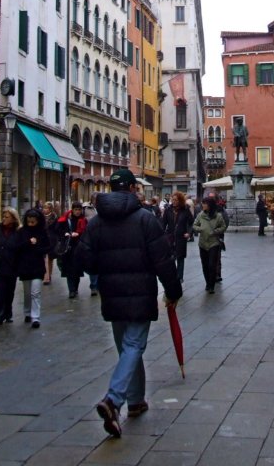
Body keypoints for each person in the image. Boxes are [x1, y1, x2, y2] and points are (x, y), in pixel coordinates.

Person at [78, 168, 182, 438]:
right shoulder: (145, 219)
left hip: (111, 293)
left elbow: (86, 259)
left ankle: (135, 401)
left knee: (127, 348)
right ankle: (114, 400)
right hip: (140, 292)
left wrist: (103, 271)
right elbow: (163, 259)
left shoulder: (96, 222)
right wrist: (173, 291)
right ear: (133, 189)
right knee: (134, 346)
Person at [16, 207, 50, 328]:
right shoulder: (21, 232)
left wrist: (37, 246)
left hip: (37, 266)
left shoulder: (42, 232)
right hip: (25, 266)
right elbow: (17, 247)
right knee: (27, 293)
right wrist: (28, 243)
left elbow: (48, 247)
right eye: (29, 221)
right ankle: (27, 312)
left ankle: (35, 317)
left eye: (33, 222)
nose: (30, 224)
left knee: (35, 292)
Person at [192, 195, 227, 293]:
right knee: (205, 265)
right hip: (202, 243)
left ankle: (211, 285)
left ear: (210, 205)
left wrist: (216, 231)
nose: (203, 205)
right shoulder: (200, 215)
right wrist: (200, 229)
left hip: (213, 243)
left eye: (205, 203)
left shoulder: (218, 216)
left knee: (212, 265)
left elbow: (223, 226)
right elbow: (194, 225)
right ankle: (207, 282)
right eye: (203, 203)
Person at [54, 201, 88, 298]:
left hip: (78, 247)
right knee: (69, 270)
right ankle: (71, 290)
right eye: (76, 209)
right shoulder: (65, 219)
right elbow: (57, 229)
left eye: (79, 210)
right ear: (72, 210)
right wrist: (65, 233)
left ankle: (75, 288)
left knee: (77, 271)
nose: (77, 212)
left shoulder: (83, 220)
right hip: (68, 248)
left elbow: (86, 232)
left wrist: (79, 234)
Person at [169, 192, 194, 284]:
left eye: (176, 200)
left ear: (180, 200)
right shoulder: (168, 209)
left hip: (181, 237)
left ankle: (179, 277)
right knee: (171, 258)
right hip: (170, 237)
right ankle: (172, 276)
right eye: (173, 200)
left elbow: (191, 222)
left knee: (180, 257)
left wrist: (189, 233)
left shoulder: (185, 209)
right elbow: (163, 223)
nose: (174, 202)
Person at [41, 201, 57, 285]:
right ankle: (44, 275)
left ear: (50, 209)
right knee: (43, 259)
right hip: (43, 240)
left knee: (50, 259)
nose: (45, 209)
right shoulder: (40, 217)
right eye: (44, 208)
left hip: (51, 240)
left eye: (46, 208)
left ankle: (49, 276)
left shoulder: (54, 217)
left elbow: (56, 229)